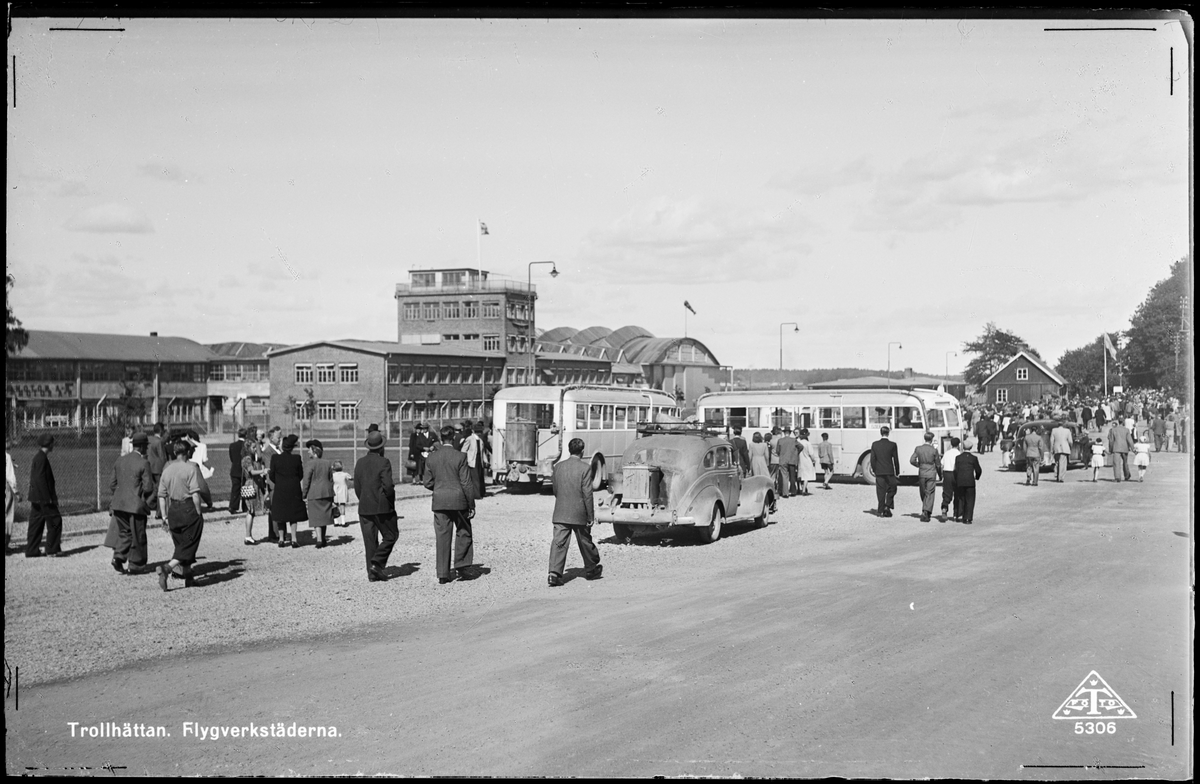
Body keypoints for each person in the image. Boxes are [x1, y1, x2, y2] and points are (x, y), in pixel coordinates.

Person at [422, 425, 478, 584]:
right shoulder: (460, 456)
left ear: (440, 438)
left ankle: (442, 573)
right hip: (459, 500)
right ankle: (462, 565)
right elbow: (466, 483)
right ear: (453, 438)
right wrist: (471, 504)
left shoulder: (431, 458)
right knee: (464, 531)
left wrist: (439, 487)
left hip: (440, 500)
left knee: (442, 536)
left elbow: (427, 482)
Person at [547, 437, 603, 587]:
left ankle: (554, 574)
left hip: (560, 511)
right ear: (582, 451)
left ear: (568, 449)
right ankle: (591, 569)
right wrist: (590, 515)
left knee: (559, 543)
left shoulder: (558, 467)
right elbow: (588, 494)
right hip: (579, 513)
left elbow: (555, 490)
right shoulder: (585, 468)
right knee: (584, 540)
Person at [156, 441, 205, 591]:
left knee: (181, 543)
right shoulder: (190, 468)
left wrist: (164, 516)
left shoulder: (167, 470)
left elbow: (161, 496)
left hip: (173, 511)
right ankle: (167, 568)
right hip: (188, 509)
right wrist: (198, 512)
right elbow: (195, 494)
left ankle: (189, 578)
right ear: (187, 452)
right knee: (189, 542)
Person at [107, 431, 155, 575]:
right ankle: (136, 565)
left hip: (119, 504)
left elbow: (112, 484)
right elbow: (148, 487)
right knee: (138, 535)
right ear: (141, 447)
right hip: (135, 505)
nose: (146, 449)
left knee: (125, 532)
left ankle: (118, 557)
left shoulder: (120, 460)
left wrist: (123, 493)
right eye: (145, 446)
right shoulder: (144, 462)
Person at [354, 430, 399, 583]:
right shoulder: (384, 462)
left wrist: (364, 499)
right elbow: (388, 486)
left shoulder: (360, 462)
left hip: (365, 506)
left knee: (369, 540)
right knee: (391, 535)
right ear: (381, 447)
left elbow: (357, 487)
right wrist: (390, 500)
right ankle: (377, 563)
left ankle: (372, 573)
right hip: (382, 507)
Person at [26, 434, 63, 557]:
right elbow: (40, 479)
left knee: (36, 524)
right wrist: (48, 499)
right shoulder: (41, 458)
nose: (54, 445)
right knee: (55, 520)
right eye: (53, 443)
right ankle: (52, 550)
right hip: (43, 497)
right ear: (49, 444)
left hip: (36, 497)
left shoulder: (39, 457)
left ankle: (31, 550)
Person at [269, 434, 308, 548]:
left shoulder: (275, 458)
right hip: (293, 489)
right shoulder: (296, 458)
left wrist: (280, 482)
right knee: (293, 514)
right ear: (292, 447)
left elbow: (272, 475)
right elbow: (300, 475)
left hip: (280, 489)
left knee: (281, 513)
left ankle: (281, 539)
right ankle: (294, 539)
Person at [301, 439, 335, 548]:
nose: (308, 452)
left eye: (309, 450)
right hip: (326, 492)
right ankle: (323, 538)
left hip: (314, 493)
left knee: (316, 517)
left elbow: (306, 480)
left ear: (314, 451)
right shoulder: (327, 463)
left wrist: (304, 493)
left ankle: (319, 539)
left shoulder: (309, 464)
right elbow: (331, 479)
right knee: (324, 516)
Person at [240, 435, 268, 544]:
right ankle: (248, 535)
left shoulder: (248, 458)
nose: (255, 449)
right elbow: (251, 472)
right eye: (253, 447)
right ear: (248, 448)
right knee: (251, 511)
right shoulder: (247, 459)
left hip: (250, 484)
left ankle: (248, 535)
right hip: (251, 484)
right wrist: (262, 471)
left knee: (250, 511)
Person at [909, 431, 941, 522]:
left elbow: (912, 460)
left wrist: (919, 465)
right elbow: (938, 464)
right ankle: (926, 511)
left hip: (922, 472)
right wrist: (940, 475)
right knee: (930, 493)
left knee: (923, 492)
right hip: (931, 473)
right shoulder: (934, 450)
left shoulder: (918, 448)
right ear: (931, 440)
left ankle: (925, 509)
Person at [869, 426, 900, 518]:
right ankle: (887, 506)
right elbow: (896, 459)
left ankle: (880, 511)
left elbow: (873, 459)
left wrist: (874, 470)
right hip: (889, 471)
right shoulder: (892, 445)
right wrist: (897, 471)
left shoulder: (875, 444)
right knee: (893, 489)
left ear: (880, 433)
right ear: (888, 433)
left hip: (879, 471)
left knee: (880, 491)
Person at [261, 426, 283, 542]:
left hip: (279, 483)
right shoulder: (268, 452)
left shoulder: (278, 449)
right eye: (278, 436)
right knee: (274, 509)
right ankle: (274, 534)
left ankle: (276, 532)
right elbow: (270, 470)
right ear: (271, 437)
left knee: (277, 509)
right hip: (274, 483)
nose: (280, 438)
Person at [952, 446, 983, 524]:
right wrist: (977, 477)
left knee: (960, 498)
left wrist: (956, 478)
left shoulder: (958, 457)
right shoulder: (973, 458)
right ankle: (968, 518)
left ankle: (959, 515)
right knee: (970, 500)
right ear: (971, 448)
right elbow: (978, 470)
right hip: (970, 481)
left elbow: (956, 470)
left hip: (960, 481)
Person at [146, 424, 167, 519]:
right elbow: (162, 456)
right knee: (160, 490)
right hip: (158, 468)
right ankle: (158, 512)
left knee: (154, 489)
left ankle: (146, 504)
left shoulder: (149, 439)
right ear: (161, 431)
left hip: (149, 466)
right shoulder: (159, 442)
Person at [461, 423, 487, 499]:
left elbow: (483, 452)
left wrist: (486, 461)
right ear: (473, 431)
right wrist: (465, 460)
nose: (479, 433)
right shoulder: (469, 439)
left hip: (479, 460)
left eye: (480, 431)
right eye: (477, 431)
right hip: (472, 460)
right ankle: (476, 494)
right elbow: (464, 450)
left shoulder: (481, 440)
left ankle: (482, 492)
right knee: (475, 478)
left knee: (480, 476)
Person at [939, 436, 961, 521]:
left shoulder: (947, 453)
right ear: (958, 445)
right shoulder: (959, 454)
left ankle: (944, 508)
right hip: (955, 474)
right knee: (957, 493)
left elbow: (942, 464)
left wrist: (941, 475)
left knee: (947, 493)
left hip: (947, 473)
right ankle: (956, 513)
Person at [776, 427, 800, 498]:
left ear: (784, 433)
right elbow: (801, 446)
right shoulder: (794, 440)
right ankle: (793, 491)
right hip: (792, 459)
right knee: (792, 476)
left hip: (783, 460)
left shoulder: (780, 440)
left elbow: (777, 451)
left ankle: (785, 493)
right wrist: (796, 453)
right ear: (790, 433)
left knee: (784, 477)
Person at [228, 428, 245, 515]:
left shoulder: (232, 445)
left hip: (234, 469)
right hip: (244, 470)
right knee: (245, 488)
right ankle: (245, 506)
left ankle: (233, 506)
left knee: (235, 489)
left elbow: (231, 458)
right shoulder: (246, 445)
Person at [5, 440, 19, 551]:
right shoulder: (7, 456)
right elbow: (10, 476)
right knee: (8, 514)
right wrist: (16, 491)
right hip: (6, 488)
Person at [331, 460, 353, 526]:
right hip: (342, 491)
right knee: (342, 506)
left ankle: (336, 521)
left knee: (334, 505)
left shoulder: (333, 475)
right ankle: (343, 522)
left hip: (335, 491)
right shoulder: (344, 474)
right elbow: (351, 478)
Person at [796, 429, 818, 496]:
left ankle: (801, 488)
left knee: (801, 475)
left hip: (800, 460)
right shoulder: (808, 443)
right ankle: (804, 490)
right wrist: (814, 460)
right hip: (807, 460)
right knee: (806, 476)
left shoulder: (798, 442)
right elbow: (811, 454)